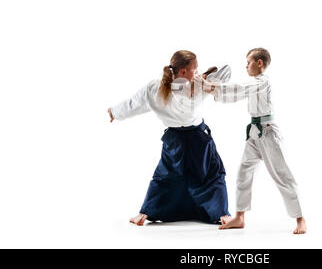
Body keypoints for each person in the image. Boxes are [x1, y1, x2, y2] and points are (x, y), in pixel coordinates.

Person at [107, 50, 232, 226]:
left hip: (174, 142)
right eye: (195, 69)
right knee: (211, 175)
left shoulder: (155, 87)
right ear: (183, 72)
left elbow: (134, 104)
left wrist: (114, 112)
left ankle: (144, 213)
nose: (197, 73)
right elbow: (226, 72)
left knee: (166, 176)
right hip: (198, 141)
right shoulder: (197, 86)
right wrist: (205, 79)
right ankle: (221, 214)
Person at [203, 48, 307, 234]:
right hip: (253, 133)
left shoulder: (262, 82)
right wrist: (212, 90)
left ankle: (300, 219)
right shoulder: (253, 84)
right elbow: (235, 95)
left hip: (268, 133)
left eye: (248, 62)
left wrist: (212, 87)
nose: (246, 66)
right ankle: (239, 217)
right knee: (244, 173)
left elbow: (240, 88)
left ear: (259, 63)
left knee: (282, 175)